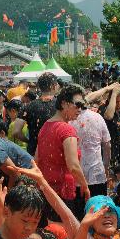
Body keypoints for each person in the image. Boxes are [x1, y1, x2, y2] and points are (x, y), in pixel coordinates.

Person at [36, 84, 91, 218]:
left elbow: (36, 159)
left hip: (45, 190)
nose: (80, 109)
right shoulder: (66, 129)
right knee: (65, 233)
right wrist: (85, 186)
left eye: (82, 106)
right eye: (77, 105)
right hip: (62, 192)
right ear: (64, 104)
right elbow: (73, 165)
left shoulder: (45, 125)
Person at [71, 104, 111, 200]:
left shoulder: (69, 119)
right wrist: (106, 166)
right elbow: (107, 145)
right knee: (99, 209)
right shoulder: (97, 117)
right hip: (97, 174)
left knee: (78, 213)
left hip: (76, 177)